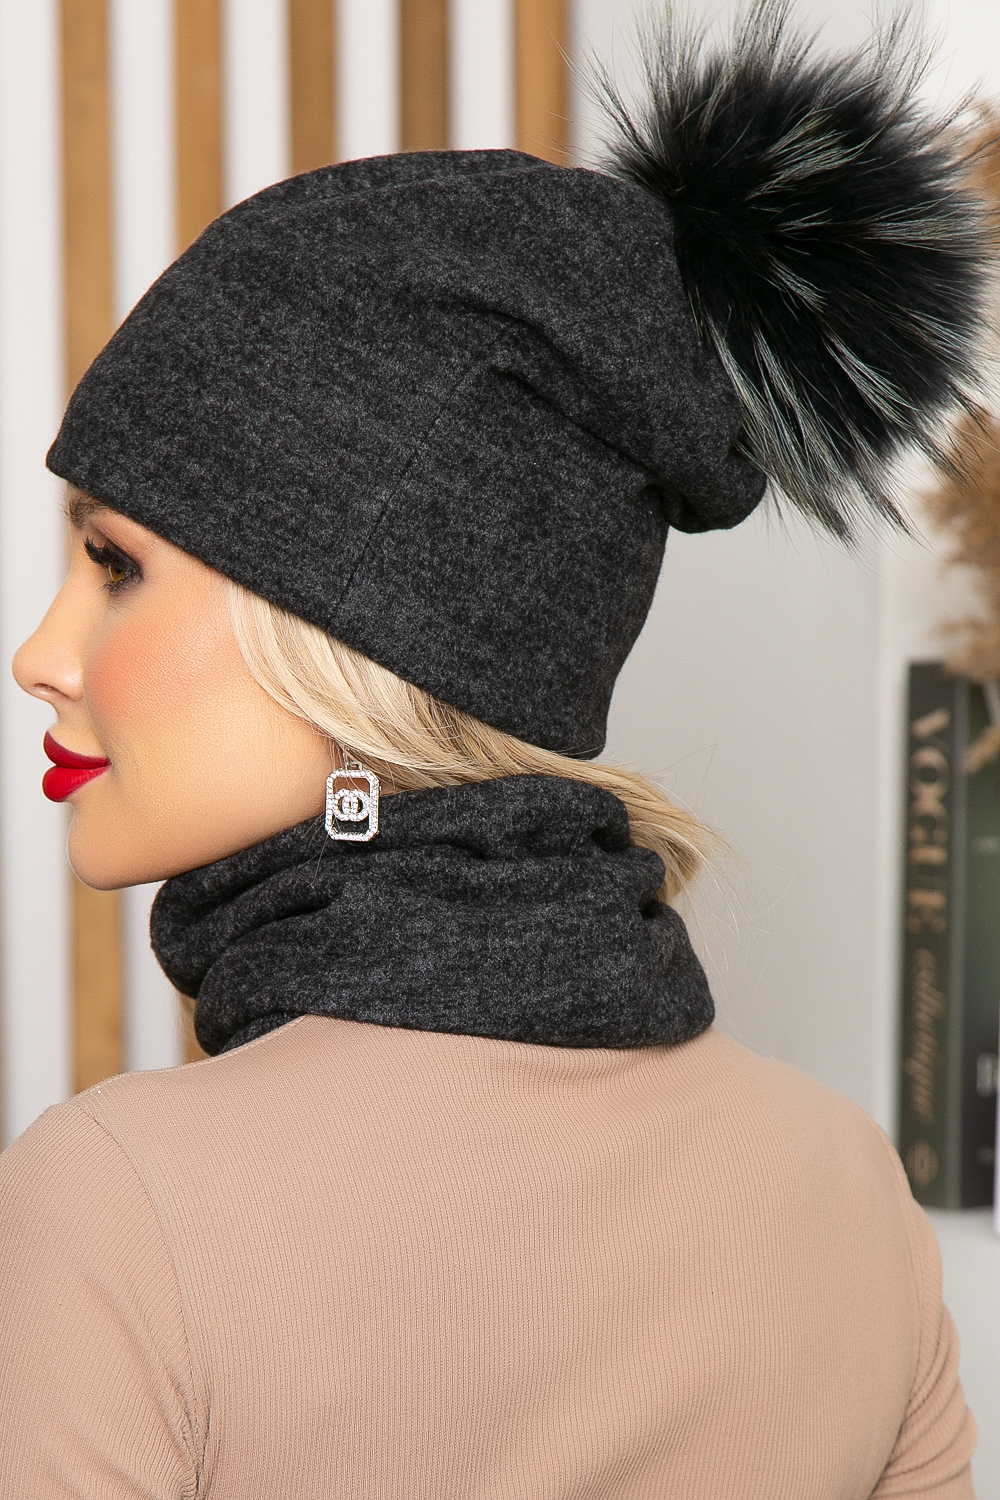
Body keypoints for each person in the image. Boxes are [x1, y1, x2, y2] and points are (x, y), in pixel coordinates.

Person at [0, 5, 987, 1495]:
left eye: (115, 564)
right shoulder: (848, 1186)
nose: (40, 653)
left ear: (359, 640)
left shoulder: (113, 1209)